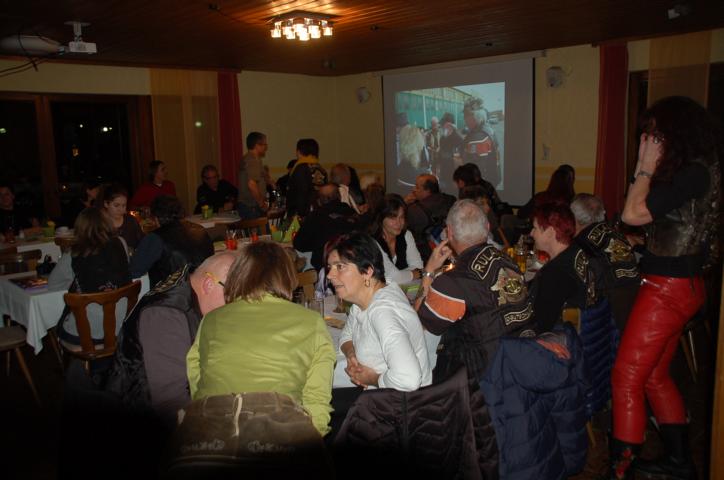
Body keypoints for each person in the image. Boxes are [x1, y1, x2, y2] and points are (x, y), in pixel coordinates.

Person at [610, 96, 721, 480]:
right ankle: (679, 461)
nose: (648, 140)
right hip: (679, 285)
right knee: (655, 375)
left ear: (676, 131)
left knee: (626, 376)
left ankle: (620, 470)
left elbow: (632, 213)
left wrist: (643, 166)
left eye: (655, 133)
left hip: (668, 289)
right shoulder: (697, 171)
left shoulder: (693, 173)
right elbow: (669, 222)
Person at [187, 241, 335, 436]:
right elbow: (316, 400)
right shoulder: (311, 322)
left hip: (211, 437)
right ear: (287, 277)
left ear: (238, 275)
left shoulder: (210, 320)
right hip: (279, 438)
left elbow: (196, 382)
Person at [106, 252, 237, 426]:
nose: (236, 306)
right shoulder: (165, 317)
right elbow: (170, 403)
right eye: (233, 298)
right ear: (208, 284)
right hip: (140, 415)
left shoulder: (191, 280)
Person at [416, 199, 535, 383]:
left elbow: (419, 323)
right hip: (526, 362)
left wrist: (429, 272)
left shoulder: (452, 283)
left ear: (449, 232)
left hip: (484, 382)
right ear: (487, 227)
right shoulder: (508, 261)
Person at [329, 232, 431, 392]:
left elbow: (409, 379)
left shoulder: (383, 313)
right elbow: (347, 335)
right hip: (383, 398)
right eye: (330, 267)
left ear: (367, 271)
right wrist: (351, 355)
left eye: (340, 267)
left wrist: (371, 378)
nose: (329, 275)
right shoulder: (364, 300)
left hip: (401, 403)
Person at [49, 208, 131, 345]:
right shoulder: (121, 243)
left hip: (87, 333)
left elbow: (53, 284)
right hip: (122, 326)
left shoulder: (74, 252)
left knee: (57, 322)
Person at [570, 193, 639, 331]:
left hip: (608, 314)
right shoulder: (616, 234)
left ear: (574, 218)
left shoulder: (581, 244)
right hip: (635, 305)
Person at [529, 202, 596, 333]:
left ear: (550, 232)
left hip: (563, 336)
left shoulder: (556, 272)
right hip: (585, 330)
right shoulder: (576, 252)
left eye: (535, 228)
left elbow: (540, 325)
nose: (531, 233)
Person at [130, 195, 214, 287]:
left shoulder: (155, 238)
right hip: (204, 288)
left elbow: (134, 270)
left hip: (172, 293)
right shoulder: (199, 229)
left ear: (156, 218)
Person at [293, 184, 357, 271]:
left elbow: (299, 244)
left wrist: (317, 242)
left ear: (320, 200)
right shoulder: (352, 213)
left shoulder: (316, 216)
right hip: (350, 265)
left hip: (324, 267)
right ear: (339, 196)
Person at [372, 194, 423, 284]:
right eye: (393, 218)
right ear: (381, 218)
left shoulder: (406, 235)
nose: (398, 223)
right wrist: (415, 274)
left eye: (401, 217)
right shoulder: (373, 241)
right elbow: (393, 278)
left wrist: (399, 276)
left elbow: (418, 266)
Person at [405, 174, 456, 261]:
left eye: (417, 187)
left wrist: (404, 203)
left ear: (427, 190)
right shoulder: (451, 200)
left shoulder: (414, 210)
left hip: (427, 257)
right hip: (451, 252)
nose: (413, 190)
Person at [462, 97, 500, 189]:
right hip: (492, 179)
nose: (464, 119)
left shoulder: (477, 138)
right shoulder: (488, 129)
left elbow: (477, 168)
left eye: (466, 116)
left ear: (476, 116)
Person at [287, 138, 327, 218]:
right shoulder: (321, 169)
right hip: (319, 212)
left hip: (302, 214)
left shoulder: (300, 168)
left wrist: (299, 214)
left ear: (299, 152)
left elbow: (301, 192)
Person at [102, 183, 144, 250]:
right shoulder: (100, 225)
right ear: (106, 204)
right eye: (116, 205)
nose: (121, 209)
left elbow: (142, 243)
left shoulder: (131, 221)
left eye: (124, 205)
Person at [237, 131, 269, 219]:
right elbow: (252, 184)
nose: (266, 147)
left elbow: (262, 176)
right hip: (251, 207)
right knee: (261, 228)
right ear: (257, 145)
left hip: (250, 206)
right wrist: (261, 204)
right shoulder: (252, 160)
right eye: (264, 144)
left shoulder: (252, 159)